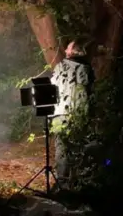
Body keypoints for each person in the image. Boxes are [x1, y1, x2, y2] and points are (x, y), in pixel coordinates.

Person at [50, 41, 94, 187]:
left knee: (61, 147)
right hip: (79, 113)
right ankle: (78, 181)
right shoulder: (87, 69)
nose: (65, 49)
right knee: (78, 146)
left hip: (61, 113)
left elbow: (52, 88)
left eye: (68, 47)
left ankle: (62, 182)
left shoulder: (61, 67)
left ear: (71, 52)